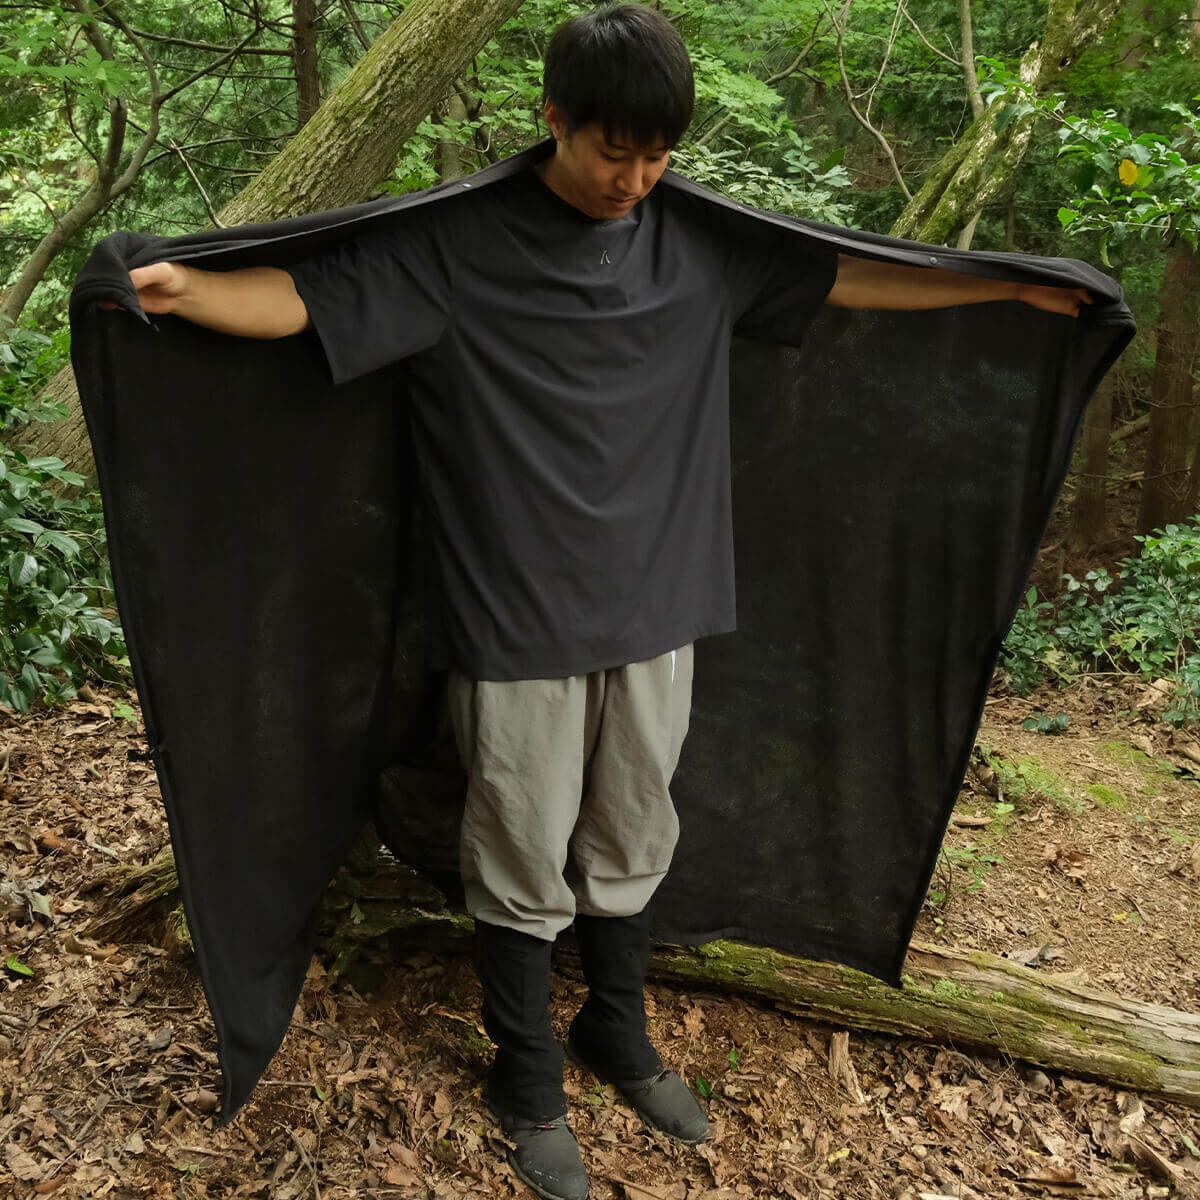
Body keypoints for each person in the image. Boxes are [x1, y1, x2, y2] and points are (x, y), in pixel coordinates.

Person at [110, 6, 1092, 1198]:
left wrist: (1003, 291)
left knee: (633, 827)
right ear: (554, 120)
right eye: (611, 151)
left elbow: (848, 277)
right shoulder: (461, 245)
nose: (633, 179)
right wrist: (189, 290)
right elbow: (307, 300)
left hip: (663, 600)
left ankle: (615, 1028)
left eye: (657, 156)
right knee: (522, 842)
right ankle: (525, 1074)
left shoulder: (699, 246)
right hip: (517, 610)